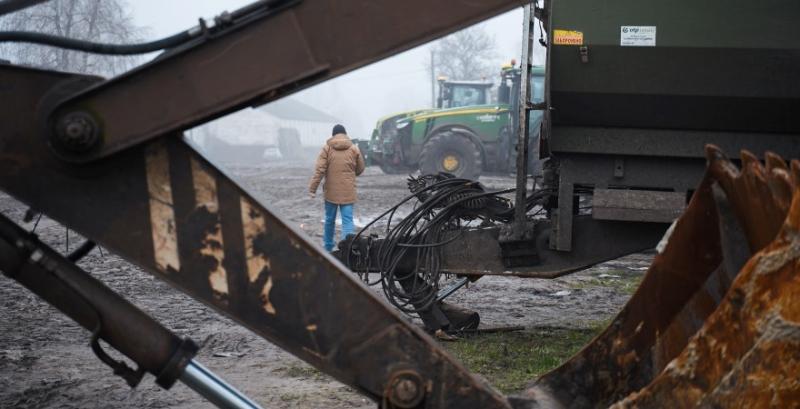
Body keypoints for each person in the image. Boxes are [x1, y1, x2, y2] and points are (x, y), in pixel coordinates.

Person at [309, 124, 366, 252]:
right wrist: (351, 173)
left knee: (329, 220)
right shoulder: (354, 148)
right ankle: (347, 250)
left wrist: (313, 189)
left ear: (333, 135)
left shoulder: (327, 149)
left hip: (331, 193)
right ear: (345, 134)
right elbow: (360, 168)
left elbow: (319, 171)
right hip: (348, 192)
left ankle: (328, 247)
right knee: (347, 221)